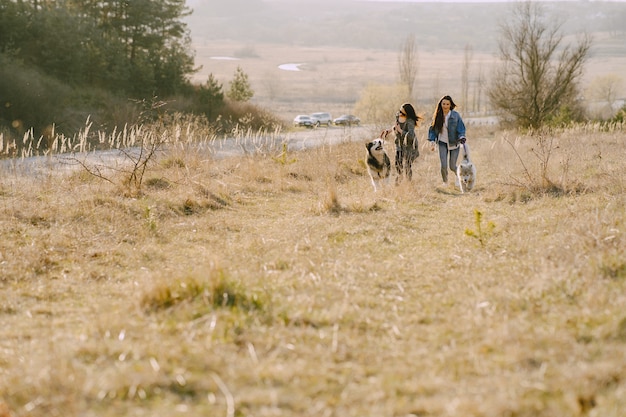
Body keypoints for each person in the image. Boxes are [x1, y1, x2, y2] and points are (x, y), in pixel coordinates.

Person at [427, 95, 467, 185]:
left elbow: (461, 128)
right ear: (440, 104)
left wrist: (462, 137)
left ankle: (459, 176)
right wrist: (432, 141)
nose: (445, 106)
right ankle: (445, 182)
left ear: (450, 105)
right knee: (443, 165)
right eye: (443, 104)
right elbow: (432, 129)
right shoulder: (438, 116)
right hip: (442, 143)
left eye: (447, 104)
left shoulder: (455, 115)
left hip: (454, 143)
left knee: (452, 166)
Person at [386, 103, 420, 182]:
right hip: (398, 144)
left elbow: (411, 135)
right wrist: (389, 131)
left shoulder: (410, 121)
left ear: (407, 113)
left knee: (407, 165)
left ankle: (409, 182)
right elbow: (396, 127)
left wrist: (401, 131)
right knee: (397, 164)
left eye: (402, 112)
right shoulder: (398, 116)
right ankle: (399, 177)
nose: (400, 113)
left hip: (408, 145)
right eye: (399, 111)